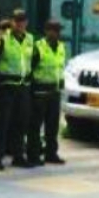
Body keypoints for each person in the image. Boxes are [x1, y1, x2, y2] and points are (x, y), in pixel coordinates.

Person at [0, 9, 34, 169]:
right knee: (2, 123)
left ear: (26, 22)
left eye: (23, 20)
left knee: (21, 123)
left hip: (23, 87)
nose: (20, 24)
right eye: (17, 20)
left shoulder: (30, 39)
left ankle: (18, 155)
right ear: (12, 22)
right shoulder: (2, 41)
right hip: (6, 87)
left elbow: (31, 62)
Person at [28, 18, 68, 166]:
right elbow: (29, 68)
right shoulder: (38, 47)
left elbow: (59, 68)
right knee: (35, 126)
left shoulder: (61, 47)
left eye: (58, 30)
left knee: (52, 126)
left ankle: (51, 153)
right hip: (40, 92)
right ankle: (33, 154)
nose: (56, 33)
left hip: (54, 91)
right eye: (53, 30)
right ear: (46, 31)